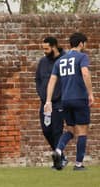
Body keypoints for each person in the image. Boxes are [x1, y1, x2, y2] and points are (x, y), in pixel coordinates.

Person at [44, 33, 94, 171]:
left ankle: (59, 151)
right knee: (82, 131)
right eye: (85, 43)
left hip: (65, 100)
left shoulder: (60, 60)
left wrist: (48, 101)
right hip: (79, 98)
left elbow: (52, 81)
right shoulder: (82, 57)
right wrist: (90, 93)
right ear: (81, 44)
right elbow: (85, 73)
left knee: (70, 130)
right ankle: (78, 164)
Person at [35, 37, 68, 169]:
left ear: (54, 46)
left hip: (59, 102)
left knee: (57, 131)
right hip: (45, 102)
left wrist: (60, 94)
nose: (44, 51)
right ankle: (62, 156)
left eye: (46, 48)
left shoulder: (64, 59)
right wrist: (42, 94)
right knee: (46, 130)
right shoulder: (42, 62)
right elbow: (37, 79)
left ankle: (59, 160)